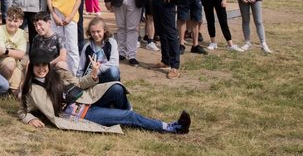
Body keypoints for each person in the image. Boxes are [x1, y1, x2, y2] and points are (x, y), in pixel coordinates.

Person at [18, 55, 191, 134]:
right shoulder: (31, 90)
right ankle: (171, 127)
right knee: (129, 116)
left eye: (44, 65)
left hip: (86, 99)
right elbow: (22, 110)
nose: (41, 69)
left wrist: (93, 74)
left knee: (117, 88)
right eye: (37, 66)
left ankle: (123, 116)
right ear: (31, 69)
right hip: (82, 114)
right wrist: (29, 118)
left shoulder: (56, 74)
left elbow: (78, 84)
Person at [44, 0, 86, 74]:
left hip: (71, 17)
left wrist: (71, 15)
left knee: (72, 47)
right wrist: (54, 15)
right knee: (56, 46)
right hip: (56, 15)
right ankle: (55, 73)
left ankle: (75, 75)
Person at [0, 5, 28, 96]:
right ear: (6, 19)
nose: (12, 23)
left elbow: (21, 55)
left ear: (21, 22)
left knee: (16, 92)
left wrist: (6, 51)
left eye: (15, 21)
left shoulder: (22, 33)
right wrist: (15, 53)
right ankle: (2, 89)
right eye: (10, 20)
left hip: (15, 64)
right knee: (10, 63)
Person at [77, 17, 121, 82]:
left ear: (104, 30)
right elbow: (81, 68)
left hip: (106, 76)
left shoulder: (112, 42)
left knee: (114, 72)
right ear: (89, 32)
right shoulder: (87, 47)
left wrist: (98, 69)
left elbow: (114, 63)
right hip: (91, 78)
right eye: (93, 32)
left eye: (98, 31)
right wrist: (79, 82)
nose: (96, 34)